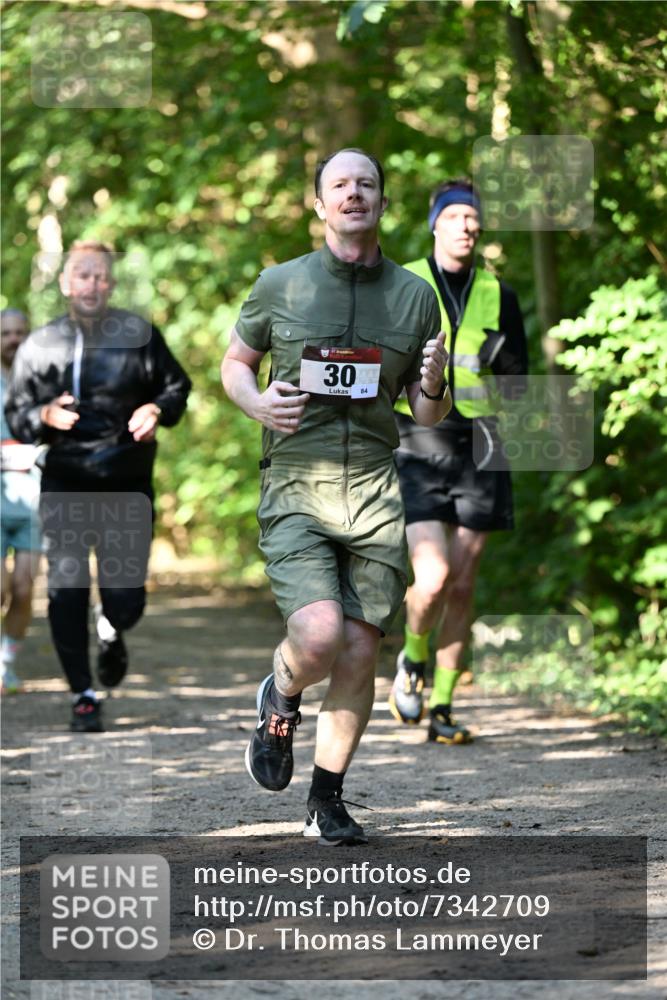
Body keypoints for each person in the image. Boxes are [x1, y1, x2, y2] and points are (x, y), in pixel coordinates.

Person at [221, 148, 450, 845]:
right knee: (319, 636)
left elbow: (426, 414)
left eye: (367, 184)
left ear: (381, 204)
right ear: (318, 205)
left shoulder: (415, 296)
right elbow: (235, 363)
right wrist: (258, 404)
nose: (355, 193)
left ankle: (327, 800)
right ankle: (281, 691)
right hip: (296, 477)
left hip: (376, 486)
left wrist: (436, 379)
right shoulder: (279, 284)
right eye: (339, 184)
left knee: (358, 649)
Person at [5, 241, 191, 731]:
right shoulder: (40, 345)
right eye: (81, 275)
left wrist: (156, 409)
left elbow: (176, 386)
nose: (91, 283)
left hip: (126, 484)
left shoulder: (140, 337)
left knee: (126, 601)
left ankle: (112, 627)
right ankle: (84, 694)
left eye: (99, 276)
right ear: (66, 284)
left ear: (110, 283)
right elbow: (16, 413)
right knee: (66, 591)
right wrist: (43, 414)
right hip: (65, 483)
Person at [389, 178, 528, 744]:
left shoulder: (500, 293)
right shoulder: (407, 283)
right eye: (456, 217)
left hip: (484, 442)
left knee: (465, 583)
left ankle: (443, 705)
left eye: (474, 218)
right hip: (418, 435)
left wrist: (507, 361)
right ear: (436, 224)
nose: (467, 226)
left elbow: (518, 387)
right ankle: (412, 659)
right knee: (434, 577)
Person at [1, 309, 42, 694]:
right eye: (6, 333)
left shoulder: (40, 383)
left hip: (34, 504)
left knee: (25, 588)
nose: (13, 339)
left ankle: (6, 665)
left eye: (19, 333)